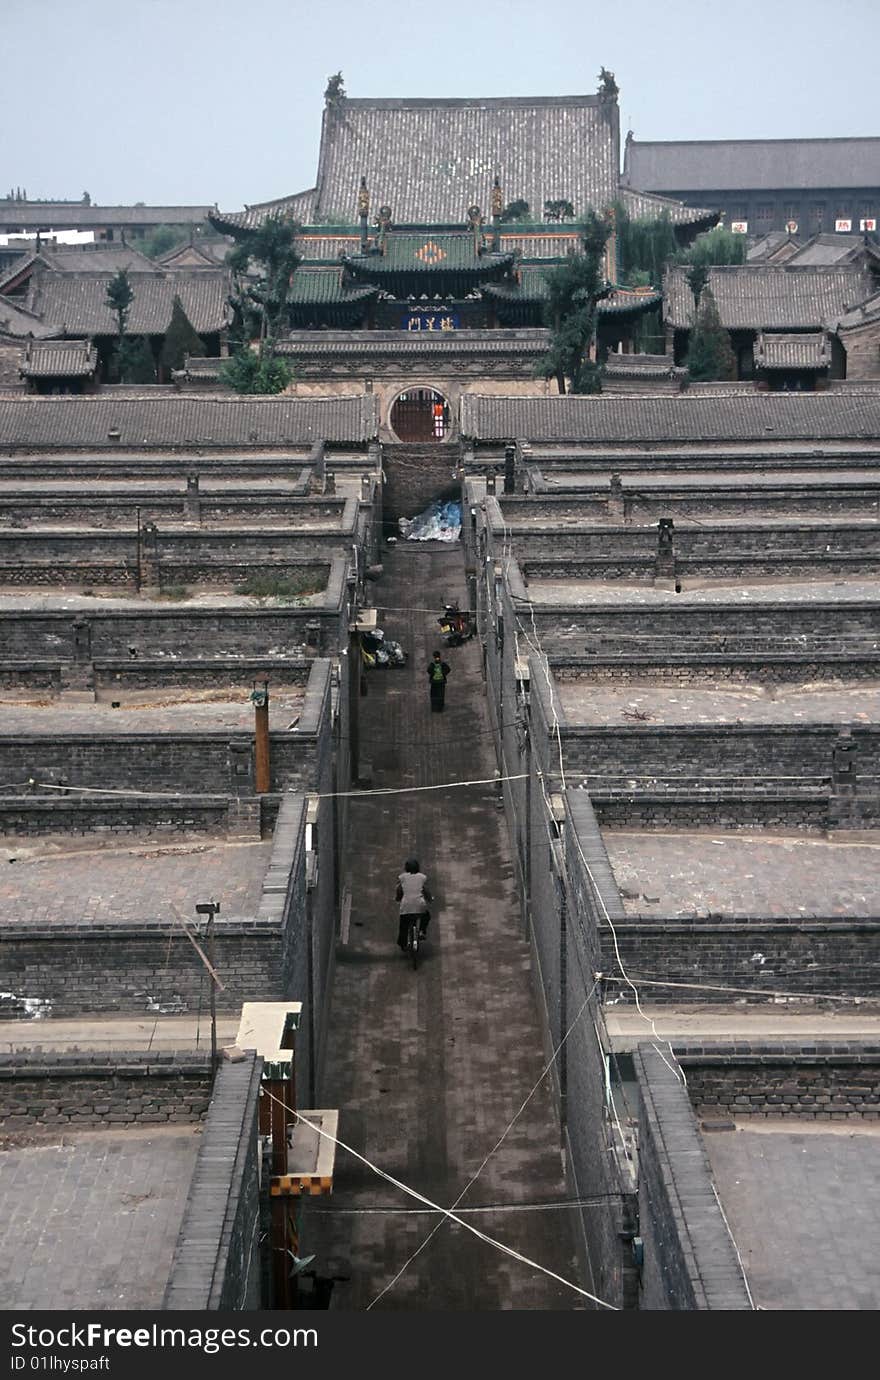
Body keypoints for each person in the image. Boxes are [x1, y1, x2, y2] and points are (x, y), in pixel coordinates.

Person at [396, 857, 432, 950]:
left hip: (406, 907)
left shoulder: (402, 877)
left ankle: (403, 943)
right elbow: (426, 891)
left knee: (403, 925)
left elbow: (399, 891)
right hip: (420, 906)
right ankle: (421, 932)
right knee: (426, 915)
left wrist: (398, 898)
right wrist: (430, 899)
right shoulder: (422, 877)